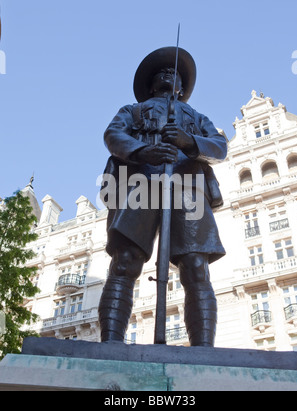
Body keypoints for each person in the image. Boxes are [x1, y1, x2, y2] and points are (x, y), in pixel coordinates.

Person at [98, 47, 227, 346]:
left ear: (182, 89)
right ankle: (112, 344)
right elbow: (113, 136)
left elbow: (219, 147)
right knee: (125, 261)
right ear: (151, 84)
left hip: (188, 188)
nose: (170, 75)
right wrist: (144, 151)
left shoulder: (197, 117)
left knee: (196, 265)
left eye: (176, 75)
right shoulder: (133, 111)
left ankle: (203, 349)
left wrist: (188, 141)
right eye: (163, 72)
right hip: (140, 181)